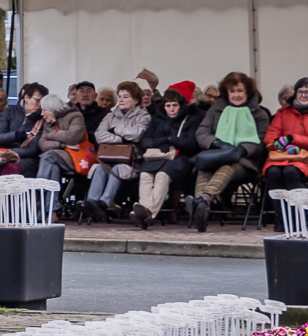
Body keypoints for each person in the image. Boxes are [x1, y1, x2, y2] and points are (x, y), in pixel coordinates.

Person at [187, 72, 270, 232]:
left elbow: (262, 140)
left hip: (243, 161)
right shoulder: (215, 111)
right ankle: (201, 206)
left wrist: (242, 150)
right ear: (227, 92)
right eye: (232, 91)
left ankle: (202, 200)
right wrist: (217, 144)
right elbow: (202, 133)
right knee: (204, 168)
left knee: (227, 168)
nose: (236, 95)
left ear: (247, 91)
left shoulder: (259, 114)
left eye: (239, 90)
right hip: (217, 154)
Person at [261, 78, 308, 227]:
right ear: (295, 94)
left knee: (291, 172)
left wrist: (293, 139)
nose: (304, 95)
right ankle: (281, 218)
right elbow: (270, 138)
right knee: (273, 172)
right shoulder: (283, 113)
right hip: (281, 155)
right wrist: (285, 145)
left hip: (306, 158)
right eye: (300, 92)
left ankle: (301, 216)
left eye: (307, 92)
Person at [134, 88, 201, 228]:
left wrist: (171, 139)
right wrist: (156, 143)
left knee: (162, 176)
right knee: (145, 175)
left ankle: (148, 212)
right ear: (164, 107)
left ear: (181, 105)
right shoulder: (157, 119)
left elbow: (192, 143)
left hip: (179, 158)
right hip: (157, 156)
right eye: (168, 105)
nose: (171, 109)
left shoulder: (191, 120)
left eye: (175, 105)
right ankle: (146, 212)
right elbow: (144, 140)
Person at [83, 81, 149, 221]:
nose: (121, 100)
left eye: (125, 97)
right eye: (119, 96)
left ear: (136, 100)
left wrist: (115, 130)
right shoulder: (110, 116)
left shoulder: (143, 116)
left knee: (119, 169)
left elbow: (137, 134)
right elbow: (99, 135)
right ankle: (91, 203)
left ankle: (103, 203)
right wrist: (121, 139)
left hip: (131, 161)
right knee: (100, 168)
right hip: (108, 157)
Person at [32, 92, 90, 182]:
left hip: (75, 155)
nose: (42, 114)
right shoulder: (48, 121)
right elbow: (43, 144)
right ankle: (52, 196)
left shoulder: (76, 116)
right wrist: (63, 145)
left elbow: (72, 137)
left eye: (44, 110)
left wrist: (51, 135)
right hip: (59, 155)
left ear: (52, 109)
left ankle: (40, 189)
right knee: (53, 168)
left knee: (48, 156)